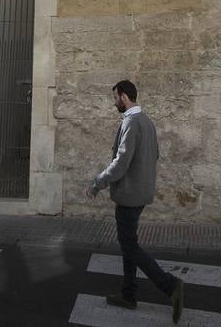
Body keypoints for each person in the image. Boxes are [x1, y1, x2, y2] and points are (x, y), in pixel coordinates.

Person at [86, 80, 184, 323]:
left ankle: (171, 285)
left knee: (129, 246)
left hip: (130, 196)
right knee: (128, 244)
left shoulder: (131, 122)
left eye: (115, 97)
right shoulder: (147, 121)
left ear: (124, 96)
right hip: (141, 193)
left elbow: (121, 163)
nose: (114, 102)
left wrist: (98, 183)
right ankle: (129, 295)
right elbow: (156, 155)